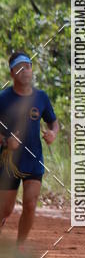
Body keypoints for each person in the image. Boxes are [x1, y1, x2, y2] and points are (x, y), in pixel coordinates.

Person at [0, 52, 59, 245]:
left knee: (31, 204)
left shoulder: (41, 97)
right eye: (19, 68)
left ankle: (20, 247)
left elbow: (53, 122)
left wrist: (52, 134)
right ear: (12, 73)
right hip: (8, 162)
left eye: (28, 66)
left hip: (33, 160)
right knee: (5, 209)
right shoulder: (3, 98)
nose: (25, 71)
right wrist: (6, 141)